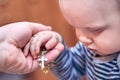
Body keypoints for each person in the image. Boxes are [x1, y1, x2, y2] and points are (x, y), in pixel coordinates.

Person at [25, 0, 120, 80]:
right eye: (76, 27)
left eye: (95, 30)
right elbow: (70, 73)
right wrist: (56, 48)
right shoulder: (88, 49)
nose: (82, 38)